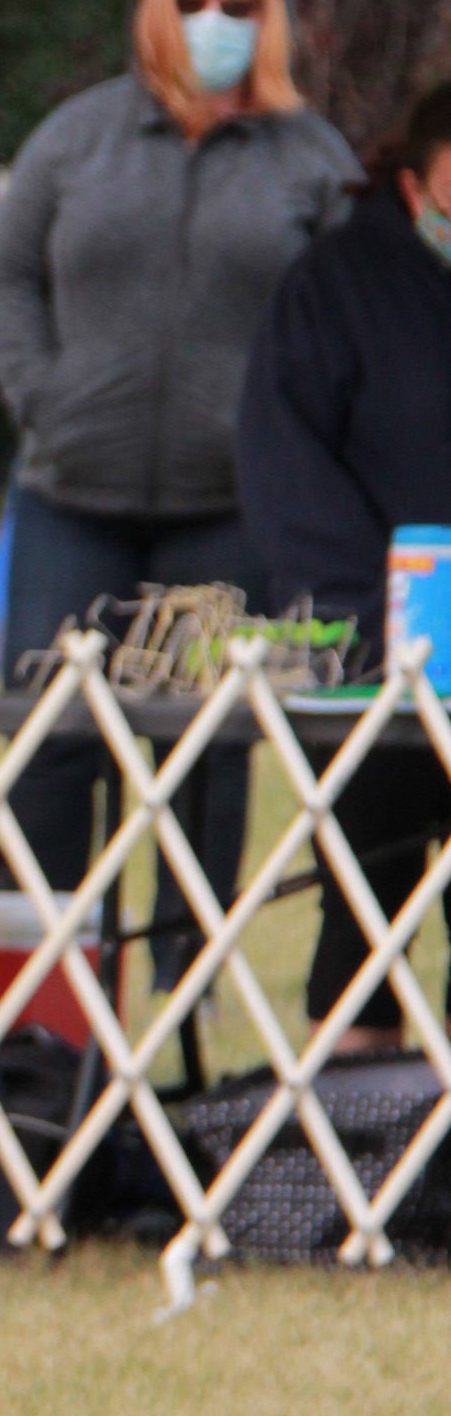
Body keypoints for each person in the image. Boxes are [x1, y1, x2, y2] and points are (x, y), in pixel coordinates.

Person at [0, 0, 356, 951]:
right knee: (50, 743)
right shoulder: (76, 137)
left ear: (269, 18)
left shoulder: (311, 159)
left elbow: (347, 317)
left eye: (239, 4)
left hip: (227, 516)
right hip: (70, 499)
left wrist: (287, 445)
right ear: (156, 6)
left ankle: (186, 1008)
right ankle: (50, 1008)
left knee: (203, 757)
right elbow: (4, 278)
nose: (215, 23)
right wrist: (44, 397)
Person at [238, 79, 451, 1052]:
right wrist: (371, 616)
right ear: (414, 183)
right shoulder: (332, 285)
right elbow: (289, 470)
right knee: (363, 897)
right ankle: (353, 1157)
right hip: (376, 656)